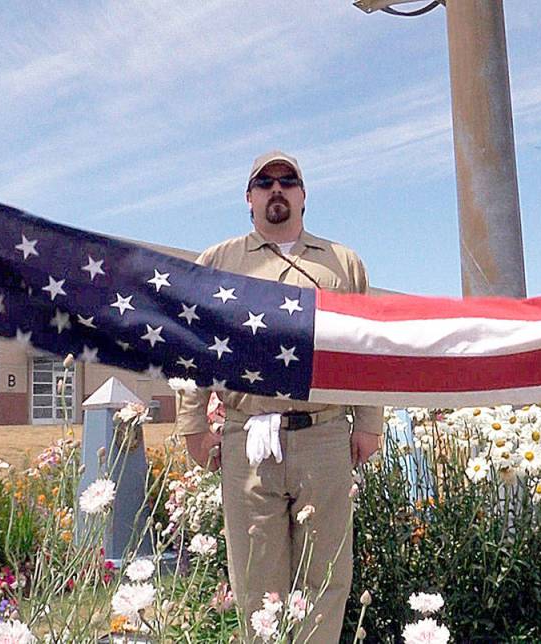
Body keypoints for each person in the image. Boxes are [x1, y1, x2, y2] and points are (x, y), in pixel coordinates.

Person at [175, 150, 382, 642]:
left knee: (325, 579)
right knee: (255, 584)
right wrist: (193, 426)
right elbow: (192, 348)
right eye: (264, 181)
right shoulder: (218, 263)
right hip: (249, 437)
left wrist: (369, 421)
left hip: (324, 435)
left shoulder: (342, 263)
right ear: (249, 198)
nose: (276, 188)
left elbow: (365, 343)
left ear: (303, 195)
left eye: (287, 180)